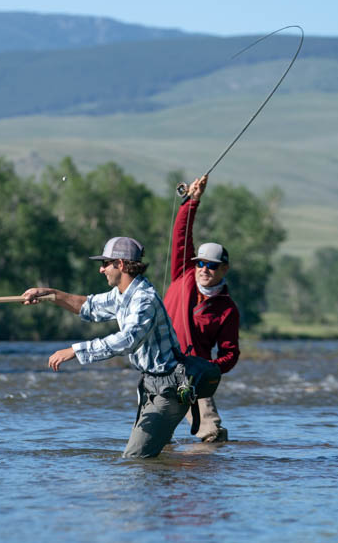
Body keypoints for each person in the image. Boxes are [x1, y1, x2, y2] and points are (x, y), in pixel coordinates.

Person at [23, 236, 187, 458]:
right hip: (151, 386)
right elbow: (87, 306)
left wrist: (74, 350)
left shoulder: (143, 299)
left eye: (105, 264)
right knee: (154, 460)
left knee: (135, 458)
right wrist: (48, 294)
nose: (101, 270)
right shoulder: (122, 295)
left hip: (168, 388)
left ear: (120, 264)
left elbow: (128, 340)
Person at [164, 175, 240, 443]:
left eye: (212, 265)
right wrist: (193, 201)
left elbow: (230, 354)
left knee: (212, 435)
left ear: (224, 269)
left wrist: (208, 369)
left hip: (193, 378)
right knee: (154, 440)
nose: (204, 270)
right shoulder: (182, 274)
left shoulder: (227, 309)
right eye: (201, 264)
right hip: (157, 368)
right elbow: (181, 235)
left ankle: (203, 481)